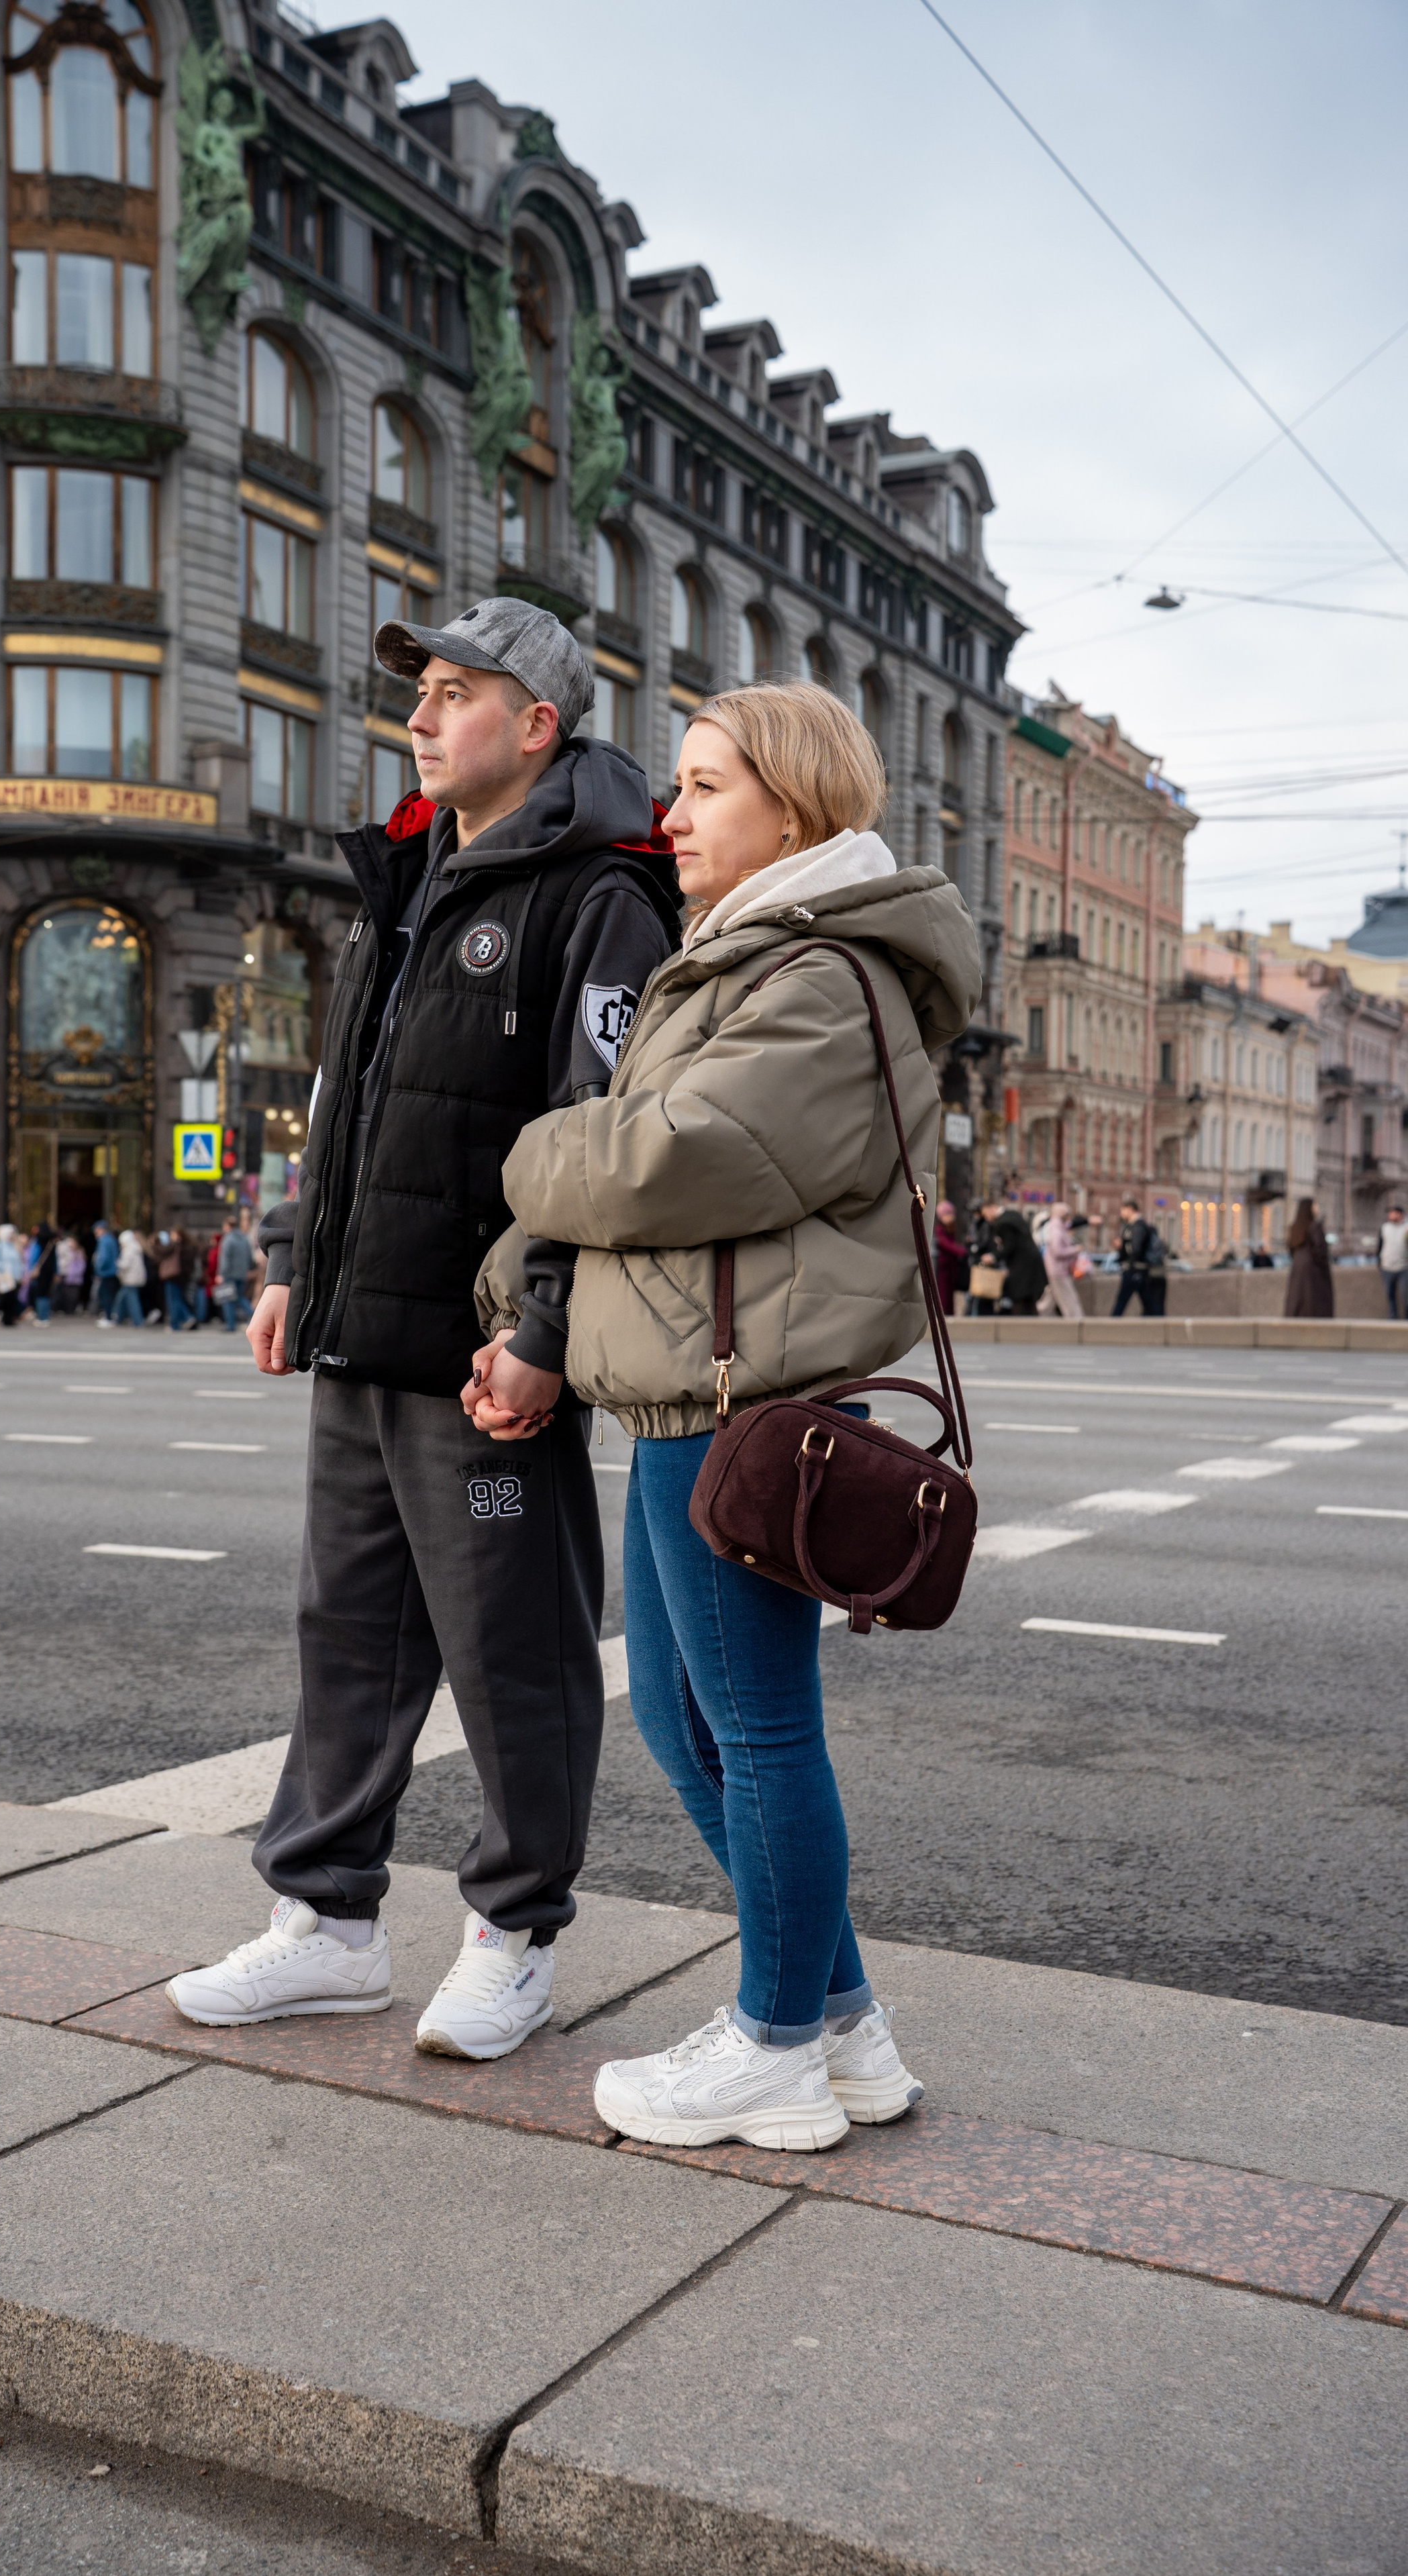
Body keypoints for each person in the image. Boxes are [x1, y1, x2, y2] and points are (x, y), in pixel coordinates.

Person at [166, 593, 681, 2061]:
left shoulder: (601, 896)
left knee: (513, 1653)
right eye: (418, 687)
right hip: (358, 1330)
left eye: (456, 691)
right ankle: (324, 1927)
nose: (419, 711)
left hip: (484, 1356)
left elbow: (603, 1137)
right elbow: (338, 1102)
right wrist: (286, 1259)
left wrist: (540, 1327)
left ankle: (514, 1935)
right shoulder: (404, 878)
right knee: (347, 1642)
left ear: (536, 726)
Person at [473, 679, 980, 2148]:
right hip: (685, 1378)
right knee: (703, 1732)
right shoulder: (749, 957)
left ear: (793, 807)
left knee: (751, 1733)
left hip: (733, 1390)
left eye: (703, 787)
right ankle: (842, 2032)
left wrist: (525, 1152)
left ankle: (769, 2040)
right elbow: (645, 1171)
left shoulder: (821, 979)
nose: (670, 814)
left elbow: (665, 1163)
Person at [1113, 1200, 1167, 1317]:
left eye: (1123, 1210)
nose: (1121, 1214)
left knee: (1121, 1302)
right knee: (1149, 1302)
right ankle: (1159, 1321)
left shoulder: (1138, 1227)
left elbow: (1136, 1249)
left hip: (1135, 1270)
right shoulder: (1133, 1226)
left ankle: (1111, 1324)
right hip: (1140, 1270)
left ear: (1130, 1209)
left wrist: (1128, 1260)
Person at [994, 1195, 1046, 1314]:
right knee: (1030, 1300)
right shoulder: (1013, 1215)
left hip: (1021, 1267)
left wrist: (995, 1256)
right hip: (1031, 1264)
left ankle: (1021, 1327)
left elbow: (1009, 1246)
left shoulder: (1004, 1223)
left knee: (1019, 1299)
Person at [1285, 1197, 1334, 1318]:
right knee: (1313, 1298)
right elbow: (1320, 1249)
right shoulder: (1314, 1226)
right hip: (1312, 1267)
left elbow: (1291, 1248)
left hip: (1298, 1266)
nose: (1317, 1208)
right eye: (1315, 1205)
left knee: (1298, 1296)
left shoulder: (1294, 1227)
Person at [1038, 1201, 1083, 1322]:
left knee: (1048, 1301)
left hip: (1056, 1269)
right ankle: (1076, 1323)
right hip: (1058, 1270)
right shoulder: (1056, 1229)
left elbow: (1072, 1224)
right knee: (1069, 1299)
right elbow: (1057, 1251)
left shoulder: (1057, 1226)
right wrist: (1074, 1250)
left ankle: (1038, 1317)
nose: (1069, 1218)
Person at [215, 1210, 254, 1330]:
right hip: (242, 1274)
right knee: (240, 1297)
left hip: (229, 1274)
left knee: (228, 1299)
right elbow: (249, 1257)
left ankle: (231, 1324)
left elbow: (225, 1259)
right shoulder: (244, 1239)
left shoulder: (227, 1240)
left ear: (227, 1226)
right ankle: (252, 1315)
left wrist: (221, 1274)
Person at [932, 1198, 968, 1315]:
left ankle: (949, 1316)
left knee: (950, 1297)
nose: (951, 1217)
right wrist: (963, 1251)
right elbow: (947, 1245)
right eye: (948, 1214)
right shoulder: (939, 1230)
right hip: (943, 1269)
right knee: (943, 1296)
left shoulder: (950, 1229)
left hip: (951, 1268)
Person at [0, 1221, 26, 1326]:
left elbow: (18, 1262)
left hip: (14, 1278)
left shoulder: (14, 1246)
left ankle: (8, 1319)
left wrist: (20, 1275)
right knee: (5, 1298)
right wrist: (3, 1268)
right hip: (3, 1277)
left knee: (12, 1300)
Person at [158, 1228, 198, 1331]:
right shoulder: (189, 1246)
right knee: (177, 1299)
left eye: (173, 1234)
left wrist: (155, 1243)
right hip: (183, 1277)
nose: (171, 1236)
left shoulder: (177, 1246)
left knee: (173, 1301)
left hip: (174, 1276)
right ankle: (184, 1319)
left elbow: (162, 1252)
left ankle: (179, 1322)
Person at [113, 1226, 148, 1326]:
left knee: (130, 1300)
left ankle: (137, 1321)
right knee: (124, 1299)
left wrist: (117, 1263)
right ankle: (119, 1318)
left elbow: (125, 1265)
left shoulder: (128, 1249)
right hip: (135, 1278)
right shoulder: (135, 1247)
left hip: (130, 1279)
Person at [1379, 1201, 1407, 1322]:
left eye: (1393, 1213)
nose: (1391, 1216)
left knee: (1405, 1295)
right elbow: (1380, 1246)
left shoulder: (1406, 1228)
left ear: (1400, 1214)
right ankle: (1393, 1319)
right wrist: (1379, 1262)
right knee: (1390, 1296)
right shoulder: (1385, 1228)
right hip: (1387, 1267)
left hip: (1404, 1267)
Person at [91, 1219, 119, 1324]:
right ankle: (109, 1315)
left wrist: (98, 1269)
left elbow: (103, 1258)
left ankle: (108, 1317)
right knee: (108, 1294)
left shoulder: (104, 1240)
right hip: (111, 1272)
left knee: (105, 1295)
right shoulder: (110, 1239)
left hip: (106, 1272)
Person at [54, 1228, 87, 1315]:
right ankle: (66, 1309)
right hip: (68, 1276)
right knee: (66, 1294)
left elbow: (81, 1266)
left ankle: (71, 1309)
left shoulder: (79, 1253)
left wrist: (74, 1273)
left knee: (73, 1295)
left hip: (75, 1278)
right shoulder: (67, 1252)